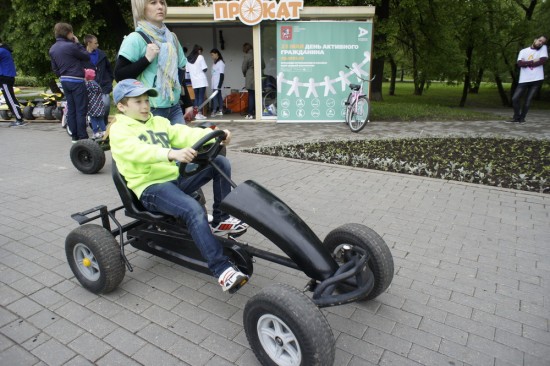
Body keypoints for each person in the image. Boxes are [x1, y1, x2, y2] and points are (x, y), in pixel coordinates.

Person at [108, 79, 249, 292]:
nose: (145, 105)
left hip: (174, 180)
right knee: (192, 210)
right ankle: (221, 270)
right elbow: (136, 150)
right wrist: (170, 153)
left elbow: (184, 133)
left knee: (219, 162)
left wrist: (216, 135)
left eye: (146, 100)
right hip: (150, 188)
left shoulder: (158, 122)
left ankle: (220, 219)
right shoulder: (120, 130)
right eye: (138, 101)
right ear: (122, 106)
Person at [114, 0, 193, 125]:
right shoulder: (135, 39)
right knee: (157, 145)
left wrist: (188, 103)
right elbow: (119, 75)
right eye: (153, 3)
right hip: (149, 108)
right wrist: (146, 59)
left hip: (175, 107)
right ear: (142, 8)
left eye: (162, 3)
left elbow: (179, 74)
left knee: (182, 144)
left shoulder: (172, 38)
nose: (160, 7)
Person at [49, 22, 91, 142]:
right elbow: (86, 56)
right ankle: (83, 136)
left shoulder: (52, 49)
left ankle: (74, 136)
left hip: (64, 80)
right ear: (68, 33)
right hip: (76, 80)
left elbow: (55, 68)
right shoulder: (71, 46)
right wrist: (77, 43)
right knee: (81, 109)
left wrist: (62, 76)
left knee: (71, 109)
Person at [508, 35, 548, 124]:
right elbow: (519, 64)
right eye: (540, 40)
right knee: (515, 98)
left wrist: (526, 63)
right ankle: (516, 117)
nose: (541, 43)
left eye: (543, 42)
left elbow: (542, 61)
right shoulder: (523, 51)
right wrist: (533, 61)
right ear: (535, 39)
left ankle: (522, 118)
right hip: (524, 79)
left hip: (537, 79)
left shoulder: (543, 48)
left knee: (528, 100)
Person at [84, 35, 114, 126]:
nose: (97, 44)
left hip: (104, 85)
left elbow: (109, 68)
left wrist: (109, 80)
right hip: (90, 87)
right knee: (92, 107)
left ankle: (103, 124)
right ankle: (94, 125)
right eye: (95, 43)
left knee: (106, 105)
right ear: (89, 43)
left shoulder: (102, 54)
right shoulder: (82, 56)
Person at [0, 37, 26, 127]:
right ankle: (19, 118)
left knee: (10, 99)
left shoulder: (1, 51)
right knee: (9, 98)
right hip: (6, 77)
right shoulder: (4, 49)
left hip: (5, 77)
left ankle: (19, 119)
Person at [241, 43, 264, 119]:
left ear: (245, 49)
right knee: (257, 95)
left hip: (250, 76)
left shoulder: (247, 56)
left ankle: (250, 113)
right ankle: (259, 113)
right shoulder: (258, 54)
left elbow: (243, 67)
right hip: (258, 75)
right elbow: (263, 65)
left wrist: (245, 74)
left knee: (251, 95)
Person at [186, 44, 208, 120]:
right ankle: (199, 113)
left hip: (194, 81)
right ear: (199, 51)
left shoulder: (188, 59)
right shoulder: (200, 57)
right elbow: (205, 69)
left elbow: (187, 71)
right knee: (201, 97)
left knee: (196, 98)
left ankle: (196, 114)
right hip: (201, 80)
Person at [84, 69, 106, 139]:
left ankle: (95, 133)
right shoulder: (96, 84)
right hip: (99, 105)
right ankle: (104, 131)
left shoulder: (87, 85)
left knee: (93, 119)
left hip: (92, 105)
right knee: (100, 119)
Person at [210, 48, 225, 117]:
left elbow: (222, 75)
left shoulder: (221, 63)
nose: (212, 57)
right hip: (214, 83)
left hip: (218, 83)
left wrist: (219, 85)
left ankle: (214, 110)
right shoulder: (214, 63)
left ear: (217, 54)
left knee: (215, 97)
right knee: (218, 97)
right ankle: (220, 110)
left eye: (212, 55)